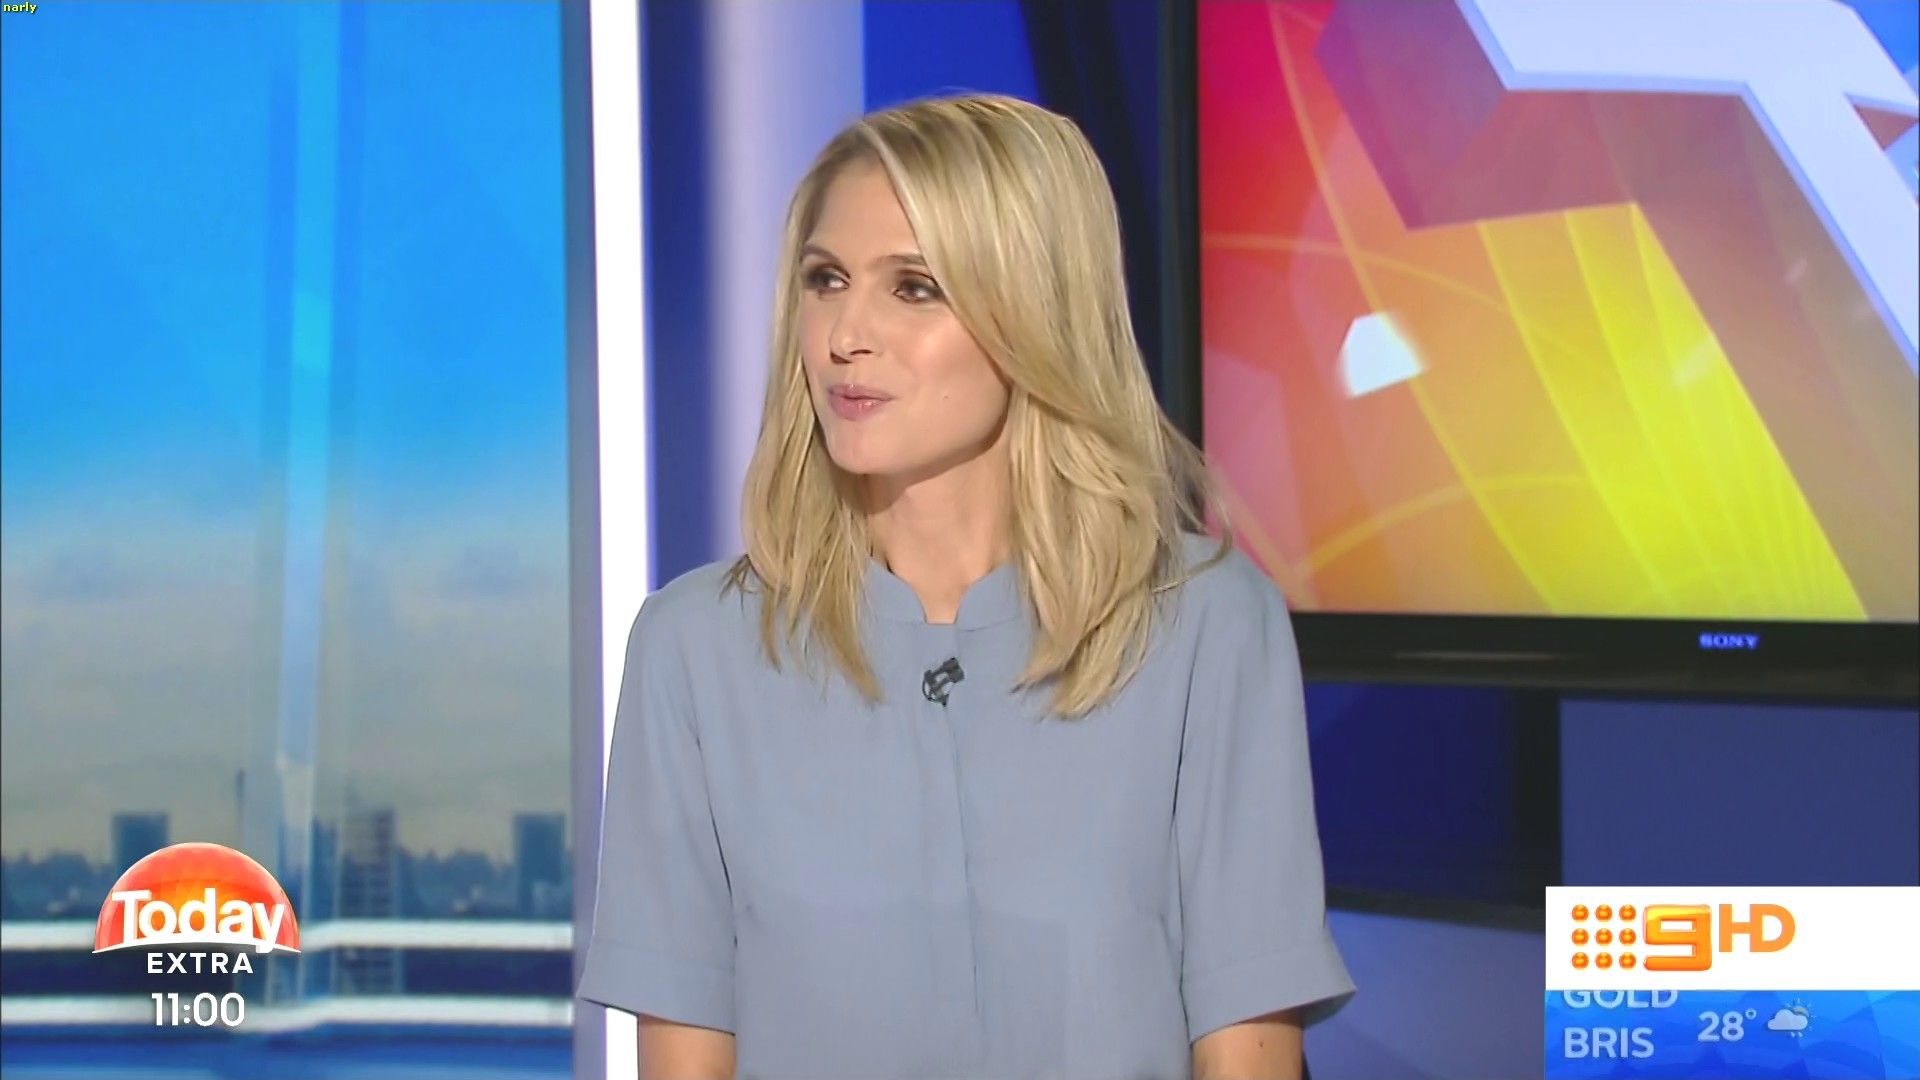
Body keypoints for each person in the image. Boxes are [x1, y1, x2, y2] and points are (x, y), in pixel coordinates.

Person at [577, 92, 1355, 1080]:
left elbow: (1247, 1051)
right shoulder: (694, 649)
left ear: (1034, 310)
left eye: (914, 288)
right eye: (826, 280)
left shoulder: (1206, 624)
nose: (845, 335)